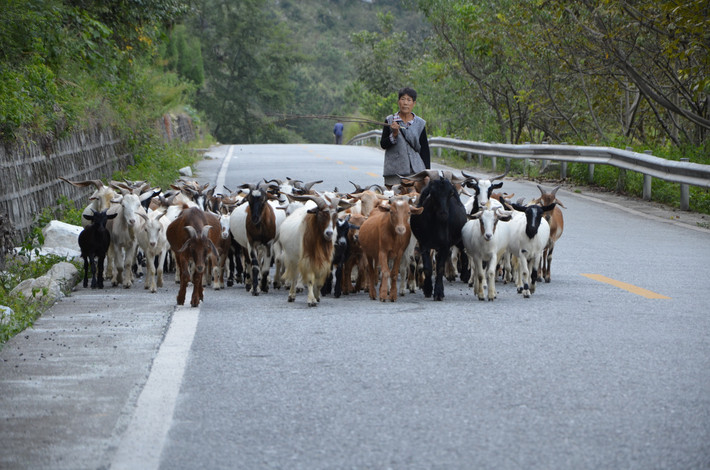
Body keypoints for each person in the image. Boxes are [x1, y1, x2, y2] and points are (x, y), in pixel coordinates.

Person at [380, 87, 430, 188]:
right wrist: (394, 134)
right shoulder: (390, 120)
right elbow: (383, 144)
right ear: (398, 102)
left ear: (414, 103)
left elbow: (424, 150)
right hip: (394, 172)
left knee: (415, 199)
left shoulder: (420, 123)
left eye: (409, 100)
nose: (405, 103)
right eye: (403, 99)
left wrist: (427, 173)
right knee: (393, 200)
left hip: (416, 171)